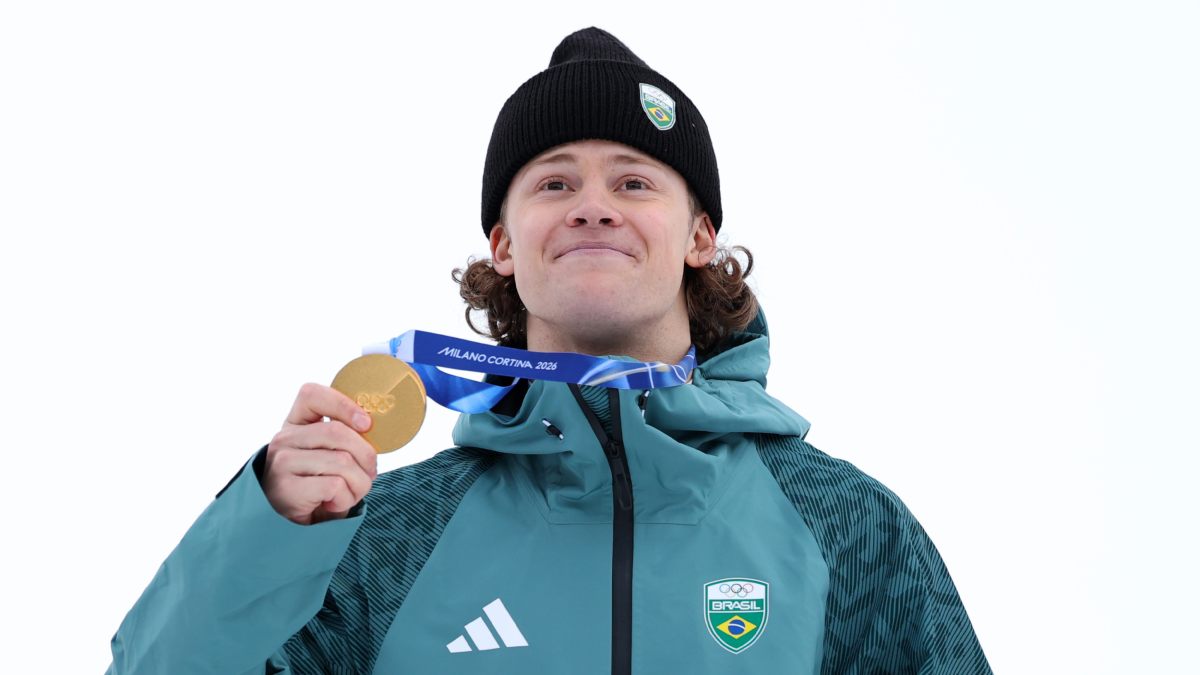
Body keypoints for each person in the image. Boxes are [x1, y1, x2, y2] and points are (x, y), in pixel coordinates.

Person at [108, 27, 991, 674]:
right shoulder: (390, 534)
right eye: (555, 181)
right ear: (503, 245)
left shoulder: (844, 524)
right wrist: (262, 530)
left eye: (634, 181)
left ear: (699, 235)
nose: (593, 205)